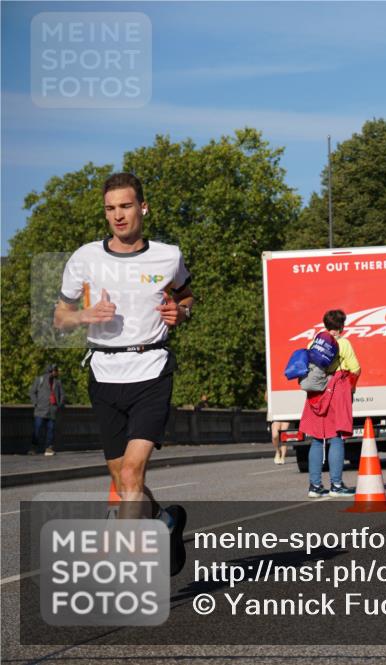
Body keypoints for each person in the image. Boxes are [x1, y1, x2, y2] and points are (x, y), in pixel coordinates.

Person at [53, 172, 193, 576]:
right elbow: (59, 317)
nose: (118, 215)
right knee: (123, 480)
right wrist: (84, 315)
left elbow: (185, 296)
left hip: (151, 369)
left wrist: (181, 312)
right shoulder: (85, 258)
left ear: (142, 208)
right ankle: (164, 519)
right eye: (110, 208)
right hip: (104, 373)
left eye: (126, 206)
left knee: (131, 473)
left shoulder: (167, 256)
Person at [299, 309, 361, 496]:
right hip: (335, 393)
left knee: (317, 440)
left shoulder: (313, 343)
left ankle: (315, 486)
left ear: (326, 325)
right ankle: (336, 485)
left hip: (316, 395)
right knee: (336, 438)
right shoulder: (343, 343)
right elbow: (355, 368)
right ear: (341, 326)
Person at [29, 364, 65, 456]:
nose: (57, 372)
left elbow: (62, 394)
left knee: (51, 430)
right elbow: (32, 392)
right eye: (55, 370)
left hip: (52, 410)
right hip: (40, 409)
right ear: (50, 371)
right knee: (37, 429)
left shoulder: (58, 382)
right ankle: (33, 448)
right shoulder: (40, 380)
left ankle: (49, 448)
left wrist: (59, 405)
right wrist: (36, 403)